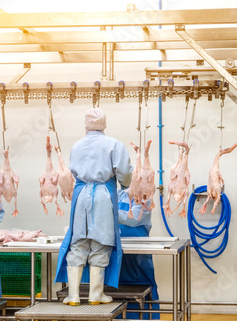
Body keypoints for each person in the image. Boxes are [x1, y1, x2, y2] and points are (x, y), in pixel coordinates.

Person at [55, 108, 133, 306]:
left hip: (80, 196)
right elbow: (124, 172)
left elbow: (72, 170)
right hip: (103, 196)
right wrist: (124, 185)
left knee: (79, 242)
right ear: (104, 124)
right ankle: (95, 295)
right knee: (100, 243)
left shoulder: (77, 145)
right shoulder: (113, 144)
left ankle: (73, 295)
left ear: (86, 125)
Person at [117, 190, 160, 319]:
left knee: (143, 287)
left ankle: (148, 317)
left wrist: (108, 212)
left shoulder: (144, 196)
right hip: (117, 253)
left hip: (138, 257)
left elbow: (134, 218)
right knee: (116, 290)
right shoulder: (117, 194)